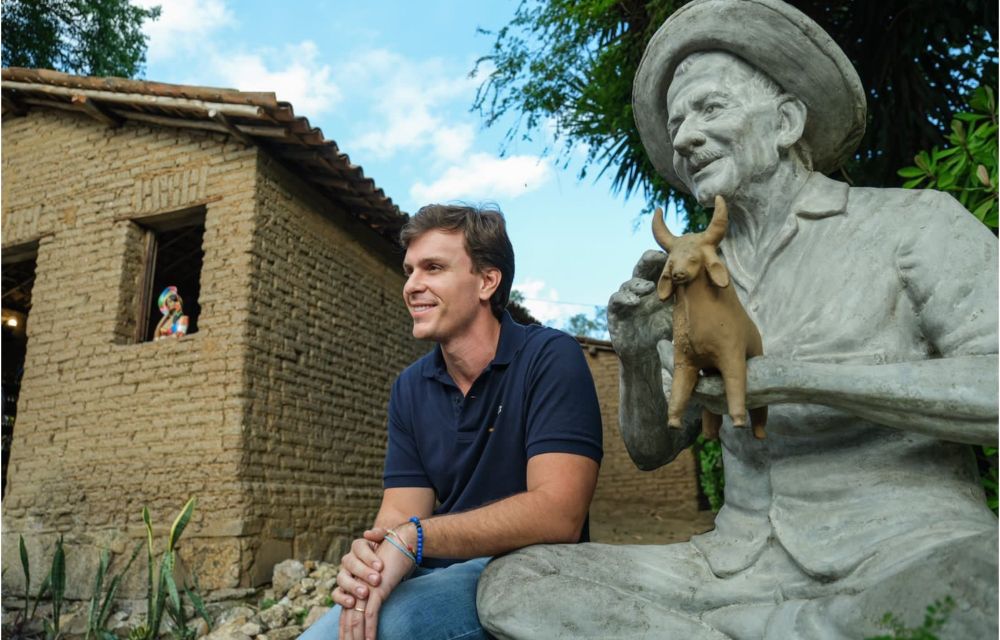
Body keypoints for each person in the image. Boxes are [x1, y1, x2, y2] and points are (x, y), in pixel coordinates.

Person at [476, 0, 998, 638]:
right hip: (730, 570)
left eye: (710, 108)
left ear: (785, 122)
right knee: (519, 585)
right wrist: (638, 353)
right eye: (676, 123)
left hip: (908, 551)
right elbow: (651, 449)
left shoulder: (914, 224)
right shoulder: (691, 270)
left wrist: (791, 379)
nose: (684, 138)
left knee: (978, 583)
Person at [300, 204, 603, 640]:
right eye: (409, 271)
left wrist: (415, 539)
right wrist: (368, 562)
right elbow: (401, 513)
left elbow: (559, 513)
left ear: (486, 281)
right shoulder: (410, 387)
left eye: (433, 268)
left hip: (535, 572)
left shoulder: (550, 357)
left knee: (399, 626)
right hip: (440, 570)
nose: (411, 286)